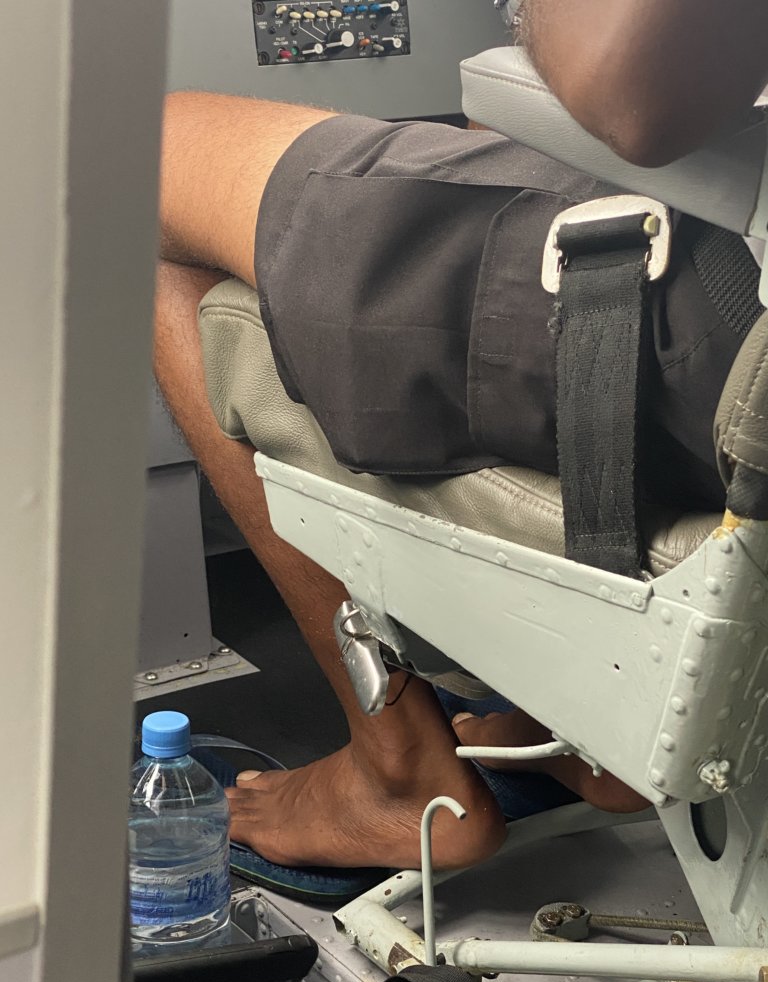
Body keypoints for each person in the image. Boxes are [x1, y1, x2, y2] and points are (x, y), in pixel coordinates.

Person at [153, 0, 768, 874]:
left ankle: (398, 775)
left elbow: (637, 80)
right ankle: (566, 725)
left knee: (144, 155)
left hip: (730, 329)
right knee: (497, 116)